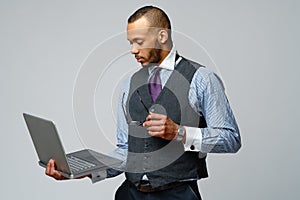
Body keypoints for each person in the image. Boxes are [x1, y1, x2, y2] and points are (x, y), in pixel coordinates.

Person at [46, 5, 241, 200]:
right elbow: (125, 151)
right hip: (129, 194)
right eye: (130, 43)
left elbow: (231, 139)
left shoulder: (202, 79)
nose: (133, 50)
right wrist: (85, 170)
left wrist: (180, 133)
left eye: (139, 42)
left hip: (178, 195)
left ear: (162, 36)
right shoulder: (128, 85)